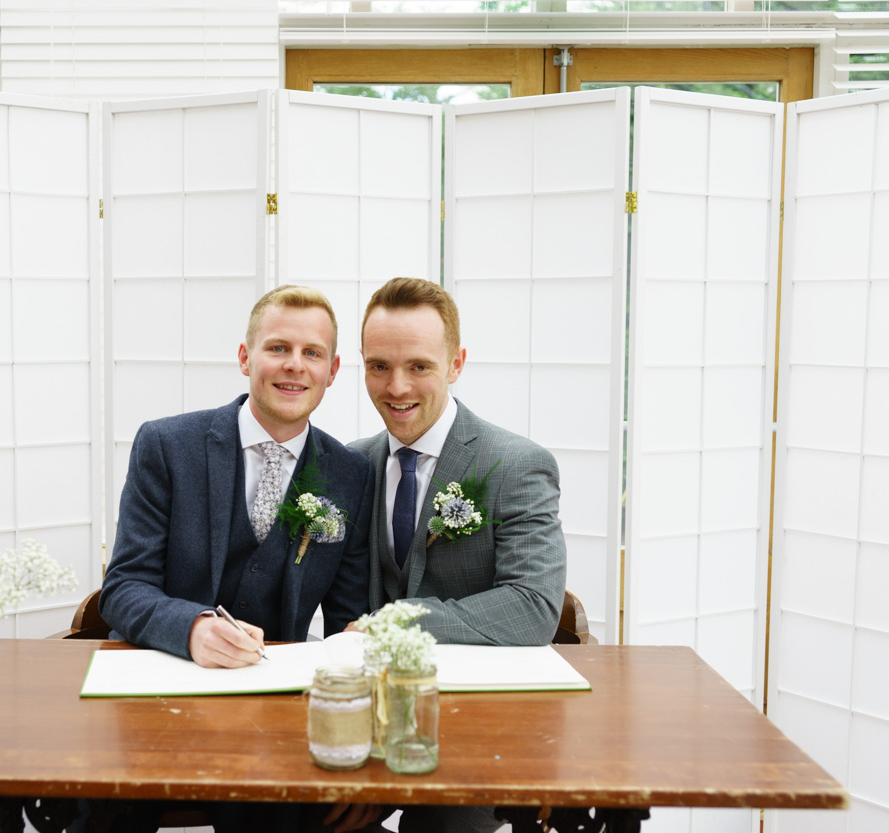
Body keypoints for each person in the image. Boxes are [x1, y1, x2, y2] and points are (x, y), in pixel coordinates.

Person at [329, 276, 566, 833]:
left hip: (477, 726)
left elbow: (533, 605)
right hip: (367, 720)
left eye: (419, 366)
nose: (396, 386)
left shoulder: (516, 465)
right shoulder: (351, 464)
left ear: (456, 363)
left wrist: (398, 622)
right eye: (378, 366)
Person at [100, 284, 373, 671]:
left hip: (277, 684)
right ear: (245, 358)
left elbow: (347, 618)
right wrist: (192, 630)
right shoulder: (166, 446)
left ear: (331, 371)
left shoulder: (351, 474)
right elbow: (123, 588)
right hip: (164, 671)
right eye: (278, 348)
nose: (295, 364)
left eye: (312, 353)